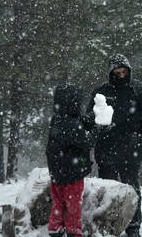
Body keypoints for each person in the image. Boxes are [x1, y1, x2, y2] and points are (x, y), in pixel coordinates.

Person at [85, 54, 142, 237]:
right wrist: (89, 143)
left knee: (131, 190)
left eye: (124, 72)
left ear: (129, 71)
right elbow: (90, 119)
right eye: (117, 72)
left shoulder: (140, 91)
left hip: (130, 149)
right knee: (107, 191)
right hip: (106, 149)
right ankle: (108, 226)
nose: (121, 76)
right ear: (111, 73)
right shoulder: (101, 92)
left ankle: (133, 227)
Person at [46, 83, 94, 237]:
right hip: (72, 174)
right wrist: (95, 132)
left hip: (57, 173)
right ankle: (73, 231)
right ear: (74, 102)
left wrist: (88, 120)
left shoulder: (57, 119)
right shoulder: (73, 124)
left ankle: (55, 228)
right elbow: (85, 143)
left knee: (58, 202)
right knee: (73, 205)